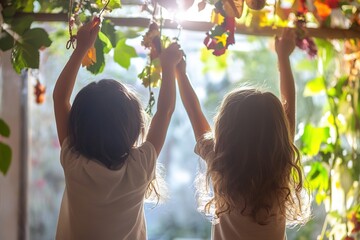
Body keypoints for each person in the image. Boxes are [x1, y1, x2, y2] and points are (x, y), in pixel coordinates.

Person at [53, 18, 182, 240]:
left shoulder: (74, 162)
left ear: (77, 125)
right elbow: (165, 111)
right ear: (134, 127)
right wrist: (169, 67)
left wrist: (81, 48)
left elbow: (59, 98)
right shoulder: (138, 167)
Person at [176, 28, 309, 239]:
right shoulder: (280, 163)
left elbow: (194, 111)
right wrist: (283, 57)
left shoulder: (221, 166)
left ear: (226, 129)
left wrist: (180, 74)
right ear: (279, 131)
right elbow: (289, 105)